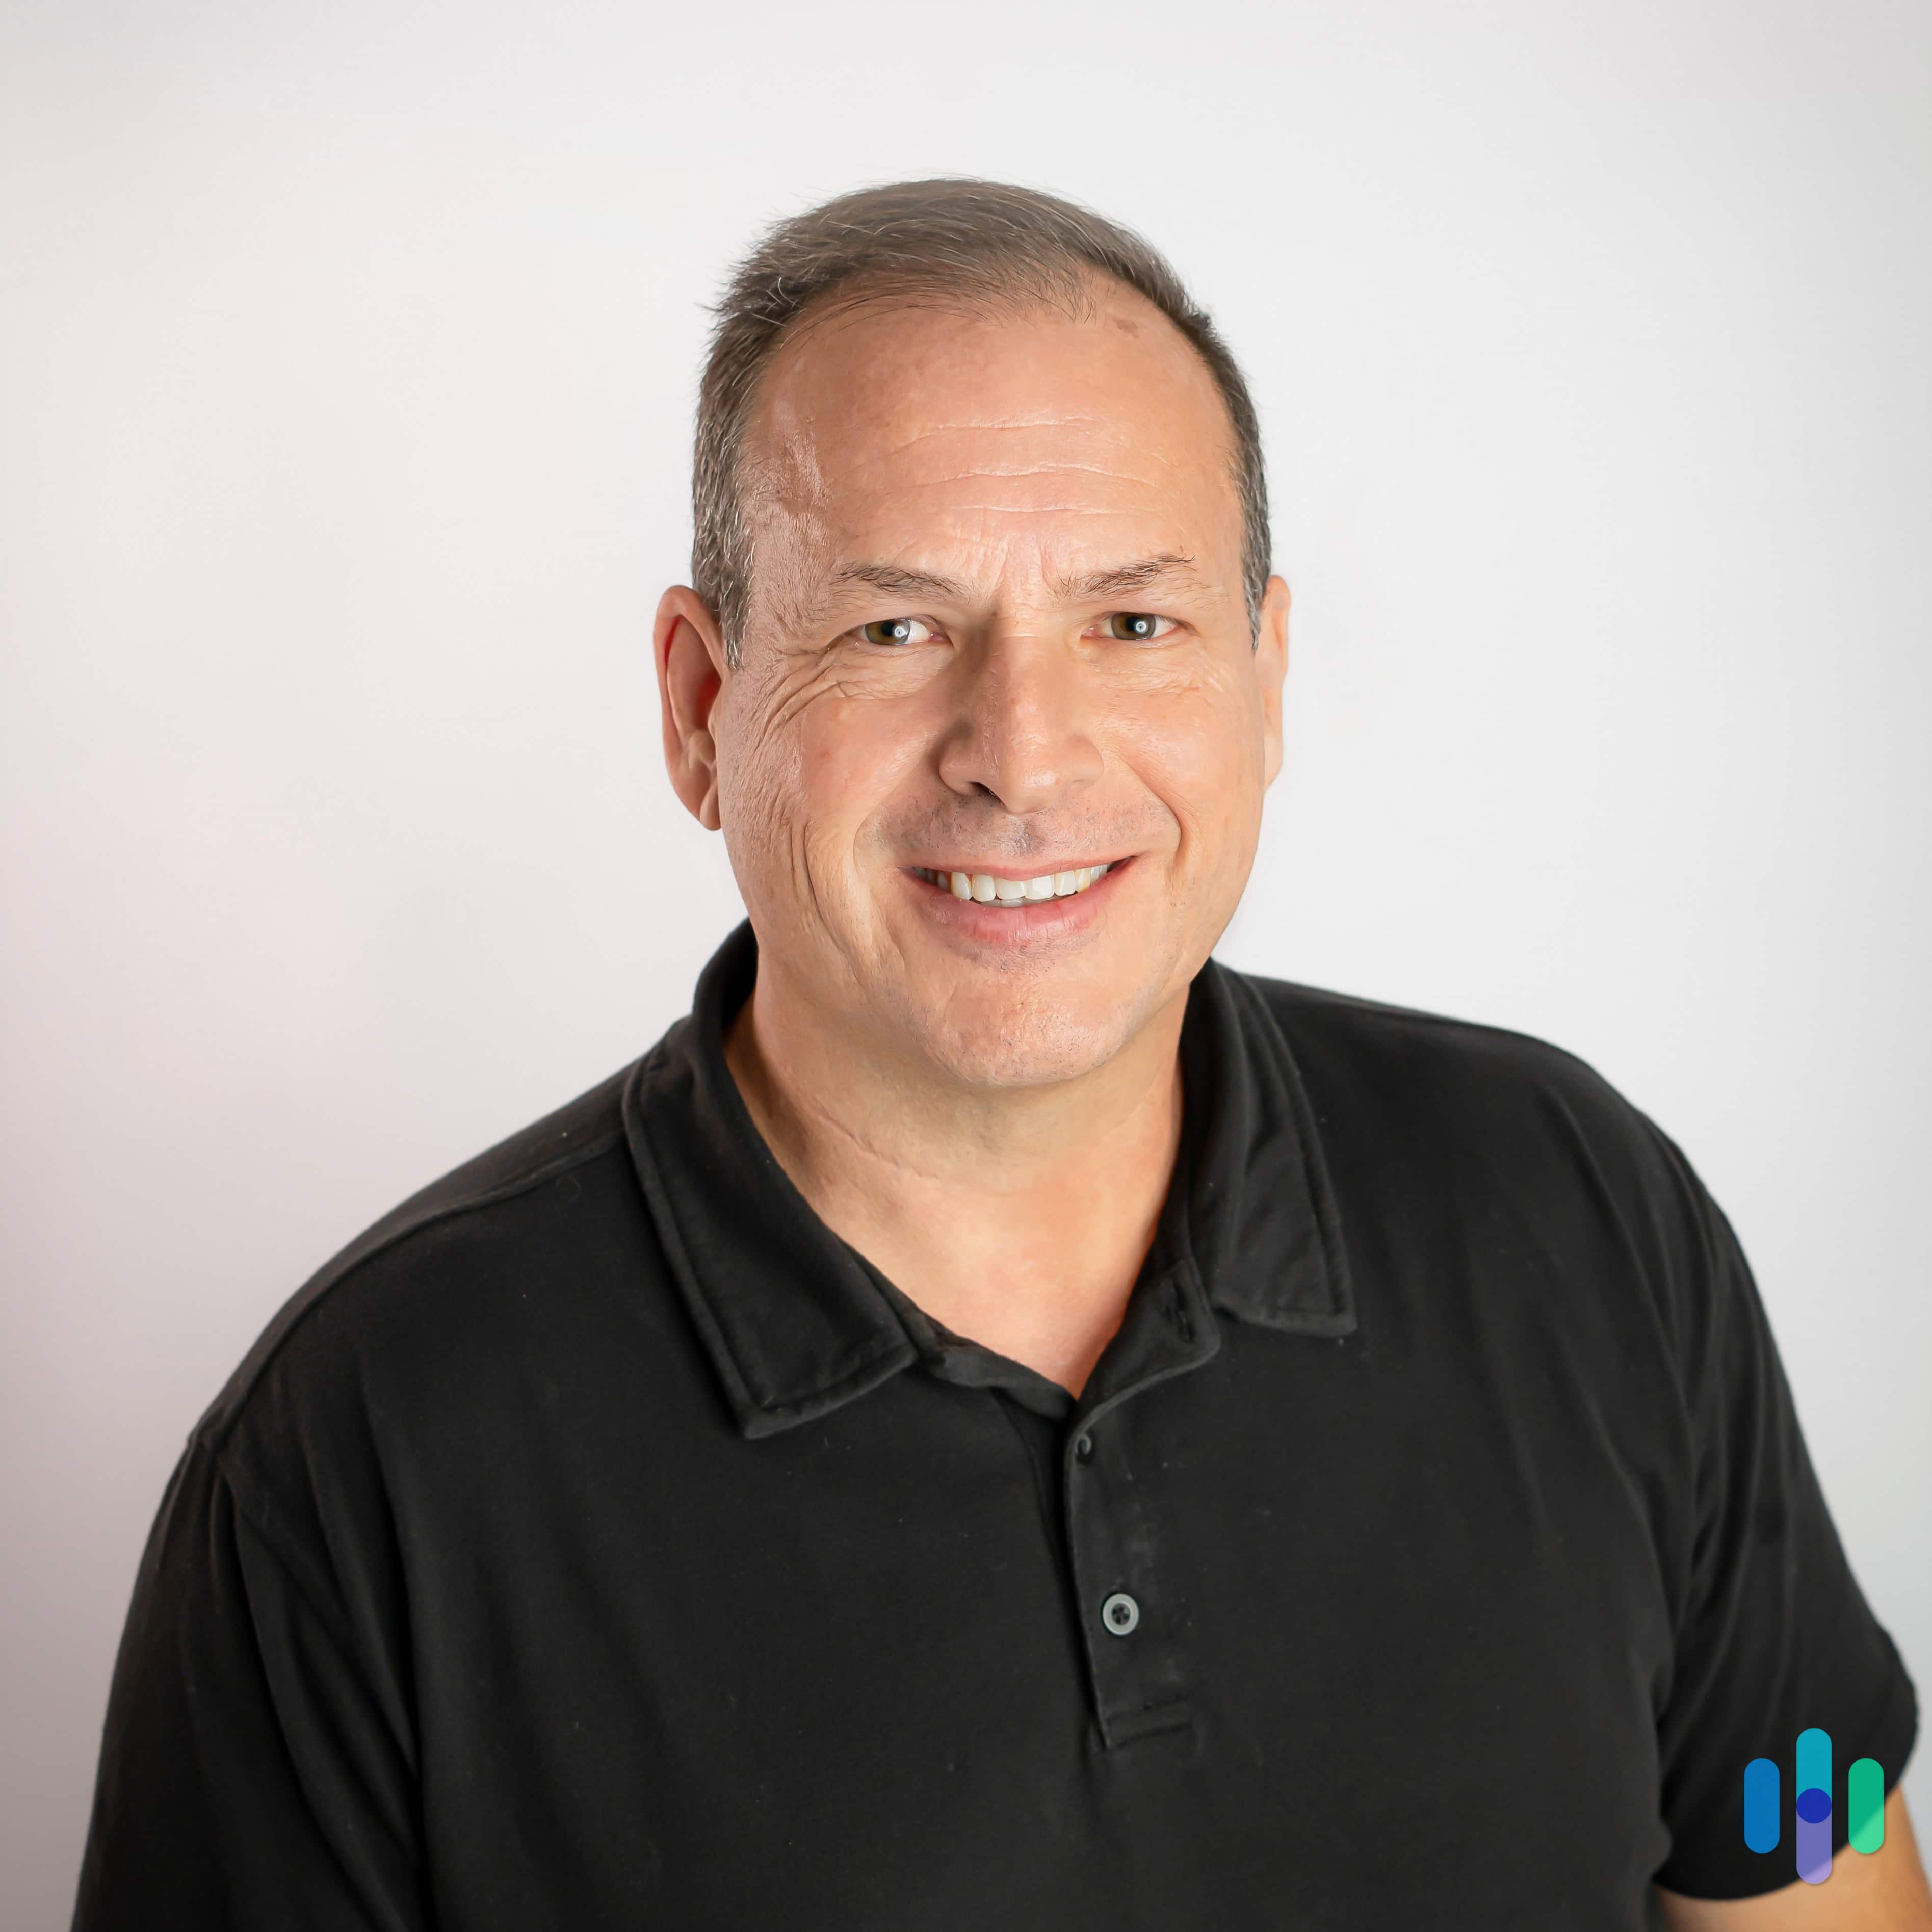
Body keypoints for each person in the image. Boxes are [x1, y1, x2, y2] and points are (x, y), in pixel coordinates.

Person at [72, 179, 1926, 1931]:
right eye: (895, 628)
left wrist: (1800, 1802)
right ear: (702, 707)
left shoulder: (1585, 1214)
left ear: (1267, 682)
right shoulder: (357, 1460)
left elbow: (1799, 1821)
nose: (1022, 755)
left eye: (1134, 622)